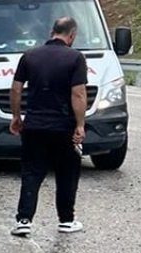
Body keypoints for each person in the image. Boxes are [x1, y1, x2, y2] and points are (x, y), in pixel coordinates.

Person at [8, 17, 87, 237]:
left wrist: (16, 116)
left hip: (34, 125)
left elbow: (16, 89)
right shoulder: (75, 58)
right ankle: (66, 220)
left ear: (51, 32)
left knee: (31, 172)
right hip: (63, 126)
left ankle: (24, 220)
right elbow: (78, 93)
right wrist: (80, 124)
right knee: (67, 172)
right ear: (71, 35)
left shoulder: (30, 55)